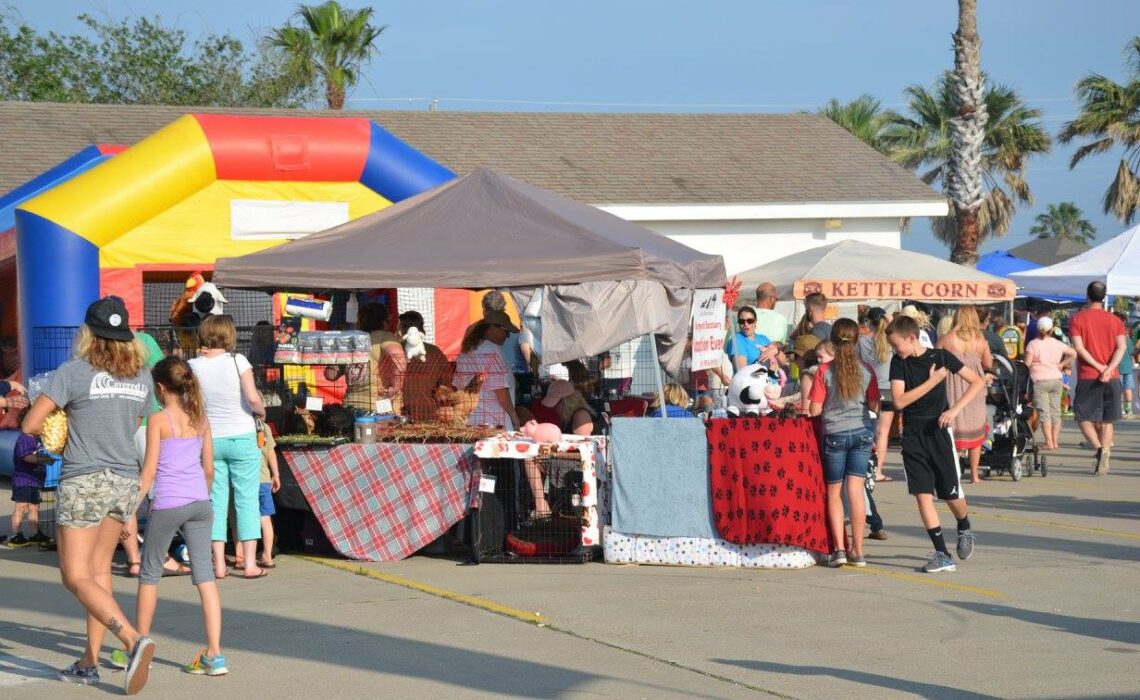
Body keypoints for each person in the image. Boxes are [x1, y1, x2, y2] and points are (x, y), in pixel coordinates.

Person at [21, 296, 157, 691]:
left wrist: (60, 421)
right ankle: (89, 661)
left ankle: (132, 640)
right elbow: (130, 423)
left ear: (88, 333)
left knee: (74, 575)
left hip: (84, 479)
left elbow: (31, 424)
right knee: (98, 574)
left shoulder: (74, 372)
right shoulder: (142, 376)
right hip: (124, 480)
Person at [135, 356, 227, 676]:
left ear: (160, 387)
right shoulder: (201, 418)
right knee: (205, 579)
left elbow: (148, 473)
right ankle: (215, 655)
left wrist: (129, 510)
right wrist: (201, 494)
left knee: (149, 574)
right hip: (200, 502)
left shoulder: (158, 421)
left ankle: (139, 643)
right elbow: (210, 469)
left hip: (168, 503)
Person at [886, 314, 984, 574]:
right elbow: (899, 402)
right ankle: (942, 553)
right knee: (922, 495)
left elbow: (977, 381)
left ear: (911, 337)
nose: (895, 351)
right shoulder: (899, 363)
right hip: (912, 433)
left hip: (938, 431)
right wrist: (933, 381)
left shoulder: (940, 357)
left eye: (897, 345)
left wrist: (954, 410)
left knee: (950, 493)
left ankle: (964, 525)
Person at [188, 315, 269, 579]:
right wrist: (261, 411)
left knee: (216, 501)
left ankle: (219, 564)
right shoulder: (238, 361)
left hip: (210, 438)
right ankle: (249, 564)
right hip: (242, 435)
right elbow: (252, 397)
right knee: (246, 501)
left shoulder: (193, 366)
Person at [808, 319, 879, 568]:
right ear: (857, 340)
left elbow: (814, 409)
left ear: (833, 340)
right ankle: (858, 551)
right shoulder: (867, 369)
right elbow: (873, 406)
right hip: (861, 431)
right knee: (856, 492)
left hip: (835, 434)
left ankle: (839, 548)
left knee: (833, 493)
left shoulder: (824, 371)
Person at [1069, 282, 1127, 475]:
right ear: (1104, 297)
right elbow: (1122, 347)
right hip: (1111, 376)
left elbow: (1079, 348)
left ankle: (1099, 449)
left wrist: (1098, 366)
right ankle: (1106, 450)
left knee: (1083, 416)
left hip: (1088, 375)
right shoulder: (1115, 320)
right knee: (1107, 419)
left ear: (1087, 295)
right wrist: (1109, 368)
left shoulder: (1078, 319)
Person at [936, 306, 993, 484]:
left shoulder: (946, 339)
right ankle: (974, 475)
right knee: (975, 430)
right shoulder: (979, 340)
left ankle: (953, 472)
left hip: (952, 387)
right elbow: (988, 363)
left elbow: (937, 363)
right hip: (974, 387)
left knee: (952, 428)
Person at [332, 302, 406, 413]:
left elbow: (330, 374)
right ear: (383, 321)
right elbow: (398, 358)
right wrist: (396, 387)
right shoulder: (385, 337)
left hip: (350, 406)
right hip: (378, 406)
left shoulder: (352, 340)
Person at [454, 309, 521, 430]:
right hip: (494, 423)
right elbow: (500, 390)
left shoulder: (466, 351)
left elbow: (458, 387)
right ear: (492, 328)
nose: (507, 337)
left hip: (471, 421)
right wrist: (515, 419)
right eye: (506, 332)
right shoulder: (491, 348)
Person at [1024, 316, 1077, 451]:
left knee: (1044, 412)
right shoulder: (1057, 343)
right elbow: (1073, 353)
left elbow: (1026, 365)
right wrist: (1061, 364)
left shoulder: (1033, 344)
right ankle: (1055, 441)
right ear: (1051, 329)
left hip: (1039, 381)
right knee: (1055, 411)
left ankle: (1049, 442)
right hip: (1056, 379)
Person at [857, 307, 896, 482]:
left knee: (867, 429)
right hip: (888, 390)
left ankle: (863, 467)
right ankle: (877, 471)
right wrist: (889, 320)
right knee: (883, 432)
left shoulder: (861, 341)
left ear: (868, 322)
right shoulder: (891, 341)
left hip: (868, 389)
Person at [396, 311, 451, 421]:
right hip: (430, 412)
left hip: (401, 413)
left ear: (401, 328)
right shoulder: (435, 352)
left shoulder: (396, 350)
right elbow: (446, 383)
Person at [8, 422, 51, 548]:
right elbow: (27, 457)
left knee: (34, 507)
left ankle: (35, 533)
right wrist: (43, 460)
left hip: (35, 479)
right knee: (21, 506)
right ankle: (16, 534)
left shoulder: (39, 439)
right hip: (23, 479)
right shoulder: (24, 438)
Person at [527, 364, 595, 436]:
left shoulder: (581, 416)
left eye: (556, 404)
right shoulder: (567, 418)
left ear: (567, 402)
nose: (554, 408)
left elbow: (584, 444)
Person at [727, 306, 774, 371]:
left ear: (755, 321)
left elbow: (782, 359)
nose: (745, 324)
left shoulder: (763, 338)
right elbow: (741, 371)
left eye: (750, 320)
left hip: (771, 379)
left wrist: (775, 351)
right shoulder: (737, 340)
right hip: (754, 380)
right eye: (741, 321)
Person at [753, 282, 789, 347]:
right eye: (776, 299)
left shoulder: (745, 316)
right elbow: (781, 345)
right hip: (771, 356)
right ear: (771, 299)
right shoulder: (781, 319)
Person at [1114, 312, 1135, 417]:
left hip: (1117, 367)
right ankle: (1129, 409)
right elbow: (1132, 351)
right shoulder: (1126, 338)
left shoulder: (1114, 337)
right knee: (1128, 388)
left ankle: (1121, 408)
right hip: (1128, 368)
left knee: (1119, 389)